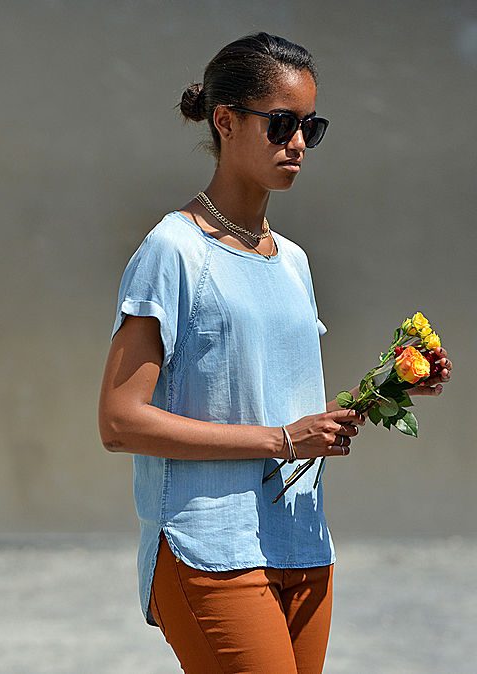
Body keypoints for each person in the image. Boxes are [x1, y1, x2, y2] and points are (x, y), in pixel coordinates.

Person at [96, 32, 453, 673]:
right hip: (209, 543)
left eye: (309, 128)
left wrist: (386, 386)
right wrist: (282, 440)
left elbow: (280, 409)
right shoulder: (173, 251)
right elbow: (121, 422)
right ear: (226, 121)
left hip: (302, 541)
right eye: (281, 123)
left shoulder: (293, 262)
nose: (296, 144)